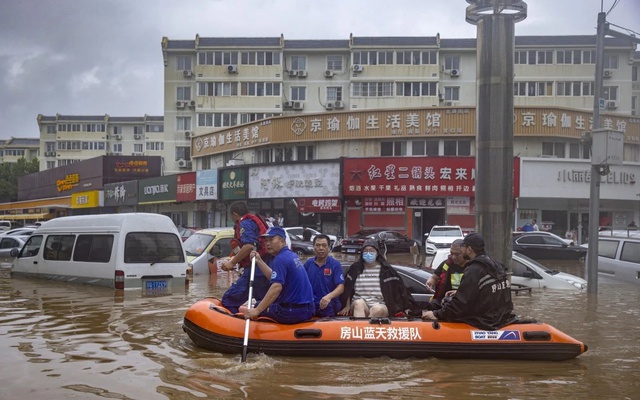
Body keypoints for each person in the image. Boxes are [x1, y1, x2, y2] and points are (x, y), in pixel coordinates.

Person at [421, 233, 516, 330]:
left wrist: (436, 314)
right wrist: (459, 292)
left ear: (469, 249)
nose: (461, 250)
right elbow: (487, 293)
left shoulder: (474, 270)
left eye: (462, 247)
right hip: (499, 318)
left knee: (446, 302)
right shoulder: (495, 265)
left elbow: (460, 305)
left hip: (484, 321)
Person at [245, 226, 315, 324]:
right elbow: (273, 277)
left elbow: (276, 287)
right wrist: (259, 261)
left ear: (282, 241)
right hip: (307, 309)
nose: (267, 244)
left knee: (257, 305)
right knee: (262, 304)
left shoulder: (280, 259)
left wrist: (257, 310)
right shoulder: (291, 254)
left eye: (271, 240)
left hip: (293, 312)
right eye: (266, 241)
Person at [339, 239, 420, 318]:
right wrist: (347, 306)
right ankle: (361, 328)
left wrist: (410, 309)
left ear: (377, 253)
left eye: (371, 251)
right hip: (360, 303)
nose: (368, 253)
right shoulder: (355, 269)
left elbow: (400, 291)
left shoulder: (387, 271)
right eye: (365, 251)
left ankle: (367, 329)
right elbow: (347, 288)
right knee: (358, 303)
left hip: (381, 305)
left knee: (377, 309)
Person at [220, 201, 271, 314]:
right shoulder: (252, 221)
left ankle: (232, 328)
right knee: (262, 301)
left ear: (234, 214)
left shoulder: (245, 223)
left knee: (229, 300)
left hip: (255, 269)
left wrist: (232, 263)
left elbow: (249, 245)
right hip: (263, 268)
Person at [303, 234, 344, 317]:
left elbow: (341, 288)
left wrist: (328, 297)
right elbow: (302, 284)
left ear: (329, 248)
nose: (321, 248)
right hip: (311, 304)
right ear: (313, 247)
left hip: (329, 305)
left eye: (324, 245)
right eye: (318, 245)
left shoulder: (335, 265)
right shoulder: (308, 264)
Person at [424, 239, 466, 309]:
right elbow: (434, 277)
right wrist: (430, 282)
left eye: (457, 254)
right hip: (445, 303)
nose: (453, 257)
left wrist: (459, 293)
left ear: (465, 252)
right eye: (451, 253)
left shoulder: (473, 268)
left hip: (462, 305)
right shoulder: (447, 264)